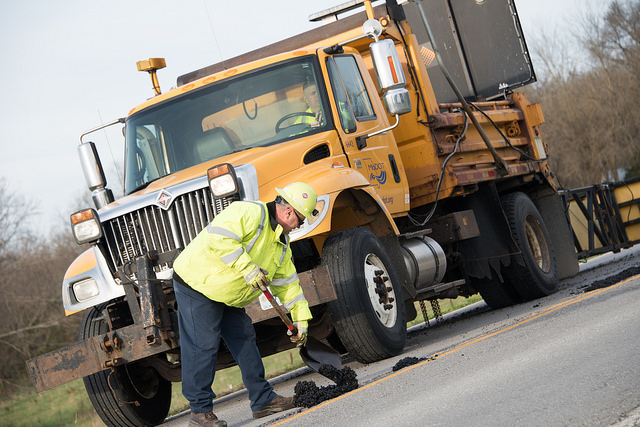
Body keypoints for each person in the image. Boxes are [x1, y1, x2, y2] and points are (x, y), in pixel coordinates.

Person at [172, 182, 319, 426]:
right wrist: (248, 268)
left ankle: (262, 400)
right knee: (203, 346)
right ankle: (199, 413)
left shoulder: (281, 244)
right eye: (301, 220)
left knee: (244, 337)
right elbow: (218, 238)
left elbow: (289, 285)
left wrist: (301, 319)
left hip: (229, 293)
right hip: (198, 283)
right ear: (289, 212)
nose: (300, 226)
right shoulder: (248, 212)